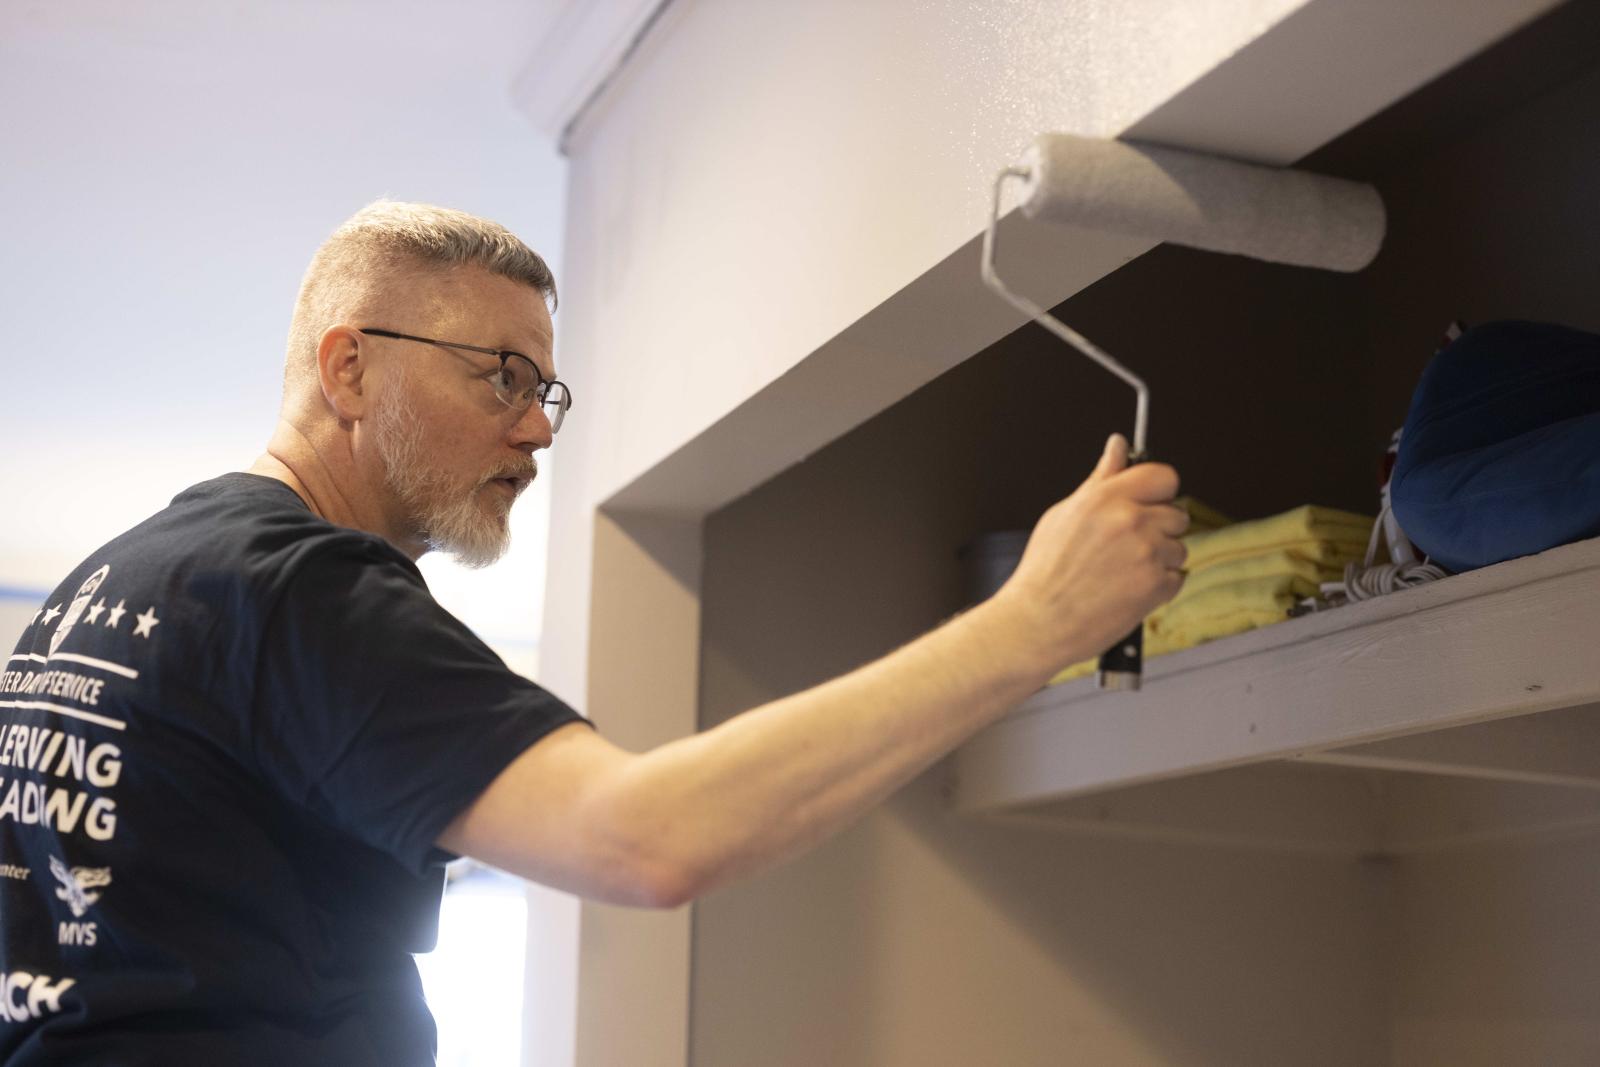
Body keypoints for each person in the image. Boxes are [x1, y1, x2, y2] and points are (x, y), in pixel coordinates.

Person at [0, 201, 1186, 1064]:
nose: (537, 430)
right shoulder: (298, 591)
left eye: (544, 391)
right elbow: (646, 836)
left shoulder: (111, 586)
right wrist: (1035, 620)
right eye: (500, 377)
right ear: (349, 368)